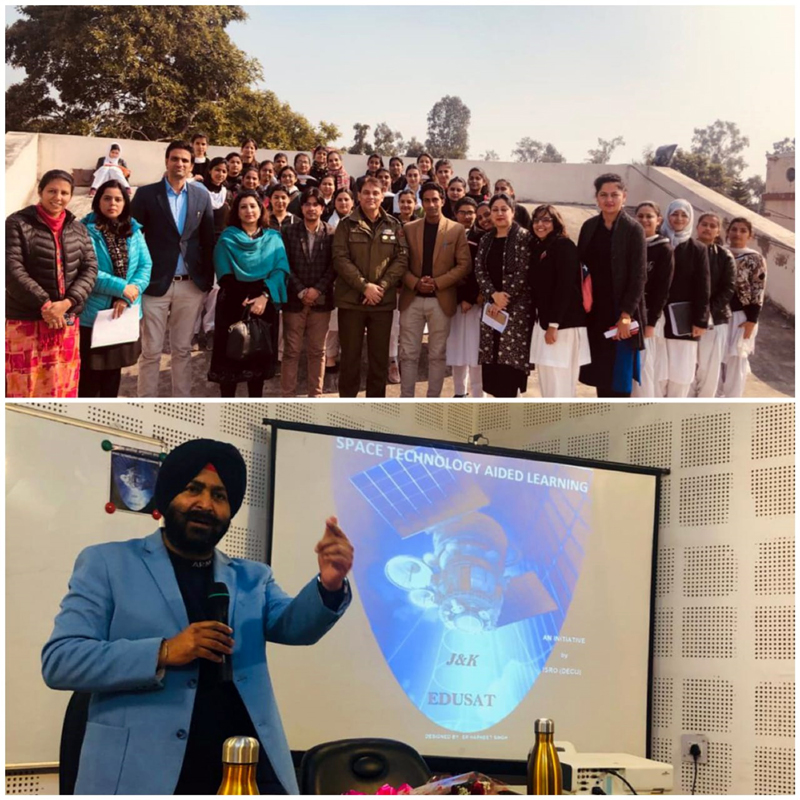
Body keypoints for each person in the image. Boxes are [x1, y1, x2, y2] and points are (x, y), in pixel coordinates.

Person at [42, 438, 353, 795]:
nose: (206, 504)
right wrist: (164, 651)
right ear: (168, 494)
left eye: (220, 496)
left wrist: (329, 584)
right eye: (193, 489)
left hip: (245, 773)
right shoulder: (108, 564)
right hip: (144, 774)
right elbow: (61, 660)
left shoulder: (253, 577)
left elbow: (295, 627)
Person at [131, 140, 215, 398]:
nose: (179, 164)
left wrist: (207, 280)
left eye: (185, 161)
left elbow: (208, 239)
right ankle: (146, 401)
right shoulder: (146, 194)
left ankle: (182, 399)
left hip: (190, 285)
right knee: (151, 350)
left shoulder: (201, 195)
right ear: (166, 161)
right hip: (155, 283)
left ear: (191, 166)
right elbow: (132, 237)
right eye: (175, 159)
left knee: (182, 349)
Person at [6, 169, 98, 397]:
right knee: (24, 387)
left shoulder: (78, 229)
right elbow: (11, 268)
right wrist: (47, 306)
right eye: (52, 191)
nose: (58, 197)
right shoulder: (17, 223)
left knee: (62, 386)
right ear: (40, 191)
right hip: (26, 321)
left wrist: (67, 303)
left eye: (64, 193)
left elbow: (90, 268)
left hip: (65, 322)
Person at [332, 176, 408, 397]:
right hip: (351, 302)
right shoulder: (346, 225)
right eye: (366, 192)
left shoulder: (394, 225)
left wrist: (381, 287)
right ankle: (347, 406)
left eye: (375, 193)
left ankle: (375, 407)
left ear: (383, 194)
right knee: (350, 359)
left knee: (378, 360)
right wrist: (364, 287)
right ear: (358, 195)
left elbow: (401, 259)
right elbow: (340, 258)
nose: (371, 197)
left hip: (381, 303)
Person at [208, 190, 289, 398]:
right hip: (233, 304)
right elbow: (224, 273)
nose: (248, 211)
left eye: (253, 206)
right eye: (243, 206)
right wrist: (244, 299)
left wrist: (264, 296)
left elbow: (280, 269)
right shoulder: (227, 238)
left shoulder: (273, 237)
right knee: (230, 368)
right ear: (236, 211)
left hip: (264, 306)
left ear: (260, 209)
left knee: (257, 368)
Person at [78, 180, 152, 397]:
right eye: (107, 198)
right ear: (98, 200)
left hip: (122, 314)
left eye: (118, 199)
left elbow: (145, 266)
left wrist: (128, 296)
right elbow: (88, 269)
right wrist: (121, 288)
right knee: (89, 380)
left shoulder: (134, 230)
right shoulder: (85, 230)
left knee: (113, 378)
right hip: (94, 315)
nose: (113, 203)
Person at [398, 182, 471, 397]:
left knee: (437, 355)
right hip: (412, 299)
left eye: (435, 200)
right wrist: (414, 282)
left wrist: (438, 282)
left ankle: (433, 400)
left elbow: (464, 265)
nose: (431, 204)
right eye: (427, 200)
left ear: (443, 201)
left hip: (441, 300)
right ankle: (406, 399)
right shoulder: (409, 228)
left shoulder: (456, 229)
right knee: (408, 354)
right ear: (421, 202)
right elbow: (400, 263)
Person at [577, 173, 646, 397]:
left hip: (621, 311)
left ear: (624, 197)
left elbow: (638, 276)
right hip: (595, 311)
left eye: (614, 195)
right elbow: (581, 269)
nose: (609, 200)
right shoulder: (589, 227)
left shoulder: (633, 230)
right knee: (599, 373)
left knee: (620, 377)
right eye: (603, 195)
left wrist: (626, 315)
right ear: (596, 198)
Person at [473, 192, 534, 397]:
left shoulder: (524, 236)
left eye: (504, 209)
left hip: (516, 310)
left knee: (510, 368)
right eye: (495, 210)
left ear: (513, 212)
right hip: (492, 309)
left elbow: (524, 271)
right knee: (493, 365)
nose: (499, 214)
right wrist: (492, 295)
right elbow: (479, 269)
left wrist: (505, 297)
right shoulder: (486, 239)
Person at [527, 204, 589, 398]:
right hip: (545, 323)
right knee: (548, 379)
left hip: (562, 326)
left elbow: (565, 288)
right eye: (536, 220)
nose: (540, 224)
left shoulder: (564, 246)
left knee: (559, 382)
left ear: (556, 222)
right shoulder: (540, 247)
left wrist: (554, 324)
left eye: (546, 220)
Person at [281, 187, 336, 397]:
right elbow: (284, 263)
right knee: (291, 351)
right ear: (301, 207)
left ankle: (316, 395)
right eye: (307, 204)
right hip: (295, 300)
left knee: (317, 351)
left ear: (322, 208)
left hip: (321, 301)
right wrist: (302, 290)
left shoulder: (332, 233)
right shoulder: (288, 231)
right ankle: (287, 396)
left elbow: (334, 266)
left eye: (316, 204)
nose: (311, 208)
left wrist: (317, 290)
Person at [659, 200, 710, 397]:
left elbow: (703, 287)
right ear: (667, 216)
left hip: (684, 320)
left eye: (684, 215)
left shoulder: (697, 249)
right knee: (658, 374)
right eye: (674, 214)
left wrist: (700, 320)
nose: (679, 219)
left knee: (681, 374)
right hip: (658, 318)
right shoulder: (657, 242)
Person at [719, 217, 767, 397]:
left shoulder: (755, 258)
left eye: (742, 230)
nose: (737, 233)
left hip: (741, 317)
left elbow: (758, 289)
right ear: (728, 232)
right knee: (715, 360)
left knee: (736, 360)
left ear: (750, 235)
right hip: (717, 315)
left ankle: (733, 400)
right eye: (734, 229)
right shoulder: (719, 253)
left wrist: (752, 320)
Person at [631, 201, 673, 398]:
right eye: (640, 216)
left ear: (659, 220)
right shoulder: (630, 243)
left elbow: (662, 290)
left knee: (645, 368)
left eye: (649, 216)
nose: (644, 220)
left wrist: (651, 323)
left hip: (649, 318)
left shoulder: (664, 249)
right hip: (628, 313)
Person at [447, 197, 487, 398]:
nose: (467, 216)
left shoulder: (482, 238)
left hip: (473, 304)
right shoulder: (447, 234)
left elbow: (478, 272)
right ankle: (459, 392)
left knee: (474, 352)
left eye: (471, 212)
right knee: (456, 350)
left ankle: (478, 394)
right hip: (451, 301)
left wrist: (470, 298)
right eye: (463, 212)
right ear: (456, 214)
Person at [692, 212, 735, 397]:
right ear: (697, 227)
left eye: (712, 225)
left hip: (715, 320)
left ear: (718, 231)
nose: (708, 228)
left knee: (709, 370)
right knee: (687, 369)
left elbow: (728, 288)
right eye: (704, 224)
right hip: (687, 319)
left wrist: (706, 314)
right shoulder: (685, 250)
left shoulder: (724, 256)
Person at [197, 158, 232, 351]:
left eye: (224, 171)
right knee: (199, 290)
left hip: (220, 248)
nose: (220, 174)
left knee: (216, 290)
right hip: (200, 246)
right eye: (217, 170)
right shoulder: (198, 190)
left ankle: (209, 329)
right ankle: (194, 332)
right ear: (210, 171)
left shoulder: (228, 195)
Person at [323, 187, 355, 374]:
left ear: (352, 202)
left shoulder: (359, 221)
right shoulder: (328, 223)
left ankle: (347, 356)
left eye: (346, 200)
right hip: (333, 278)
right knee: (332, 323)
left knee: (350, 322)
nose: (343, 203)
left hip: (354, 279)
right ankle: (330, 357)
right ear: (334, 203)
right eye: (340, 200)